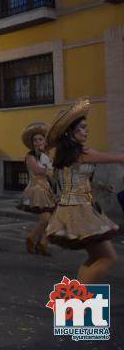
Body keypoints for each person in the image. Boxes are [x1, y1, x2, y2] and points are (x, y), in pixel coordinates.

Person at [45, 98, 120, 284]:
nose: (85, 131)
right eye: (80, 128)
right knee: (108, 258)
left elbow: (77, 180)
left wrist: (101, 186)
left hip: (76, 207)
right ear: (69, 133)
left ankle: (79, 303)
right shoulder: (81, 153)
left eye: (86, 127)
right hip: (79, 210)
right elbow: (116, 157)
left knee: (95, 258)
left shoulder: (69, 154)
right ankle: (80, 302)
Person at [17, 123, 56, 257]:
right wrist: (50, 171)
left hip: (47, 190)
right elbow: (37, 170)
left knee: (51, 220)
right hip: (36, 190)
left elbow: (55, 171)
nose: (38, 142)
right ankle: (32, 239)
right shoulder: (30, 156)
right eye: (35, 140)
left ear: (45, 141)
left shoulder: (48, 156)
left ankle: (42, 244)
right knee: (45, 219)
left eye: (40, 139)